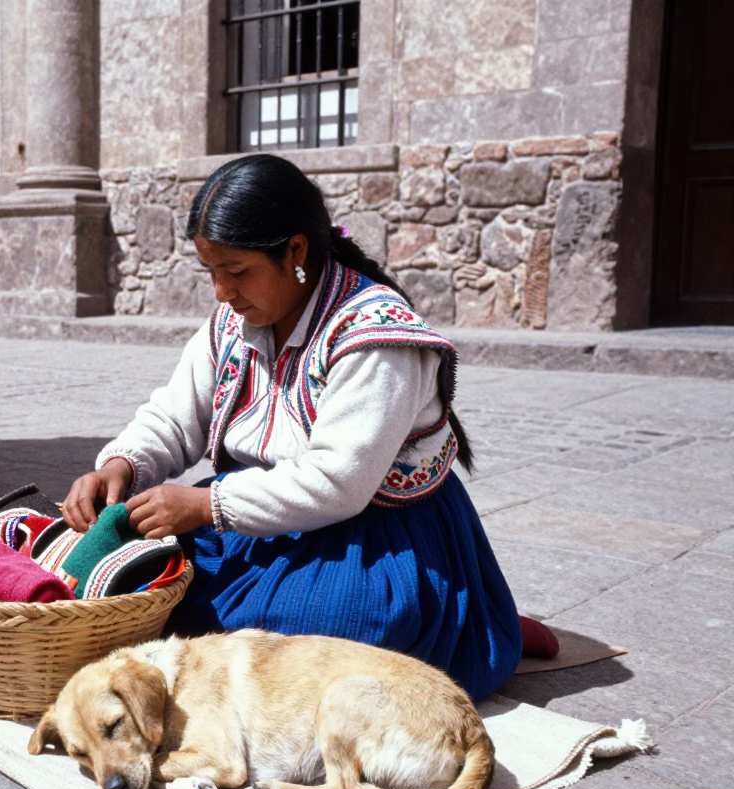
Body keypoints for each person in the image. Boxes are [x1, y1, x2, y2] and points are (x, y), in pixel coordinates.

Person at [61, 154, 523, 701]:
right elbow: (175, 415)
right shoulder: (234, 321)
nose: (222, 292)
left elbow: (337, 482)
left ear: (296, 251)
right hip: (258, 513)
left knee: (314, 633)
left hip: (376, 535)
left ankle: (470, 616)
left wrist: (205, 505)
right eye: (212, 272)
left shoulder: (376, 335)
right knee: (138, 569)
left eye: (237, 271)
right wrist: (123, 463)